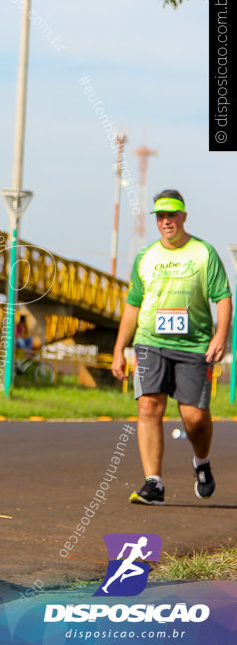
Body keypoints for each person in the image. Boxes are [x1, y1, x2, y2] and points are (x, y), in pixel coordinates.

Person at [112, 189, 232, 505]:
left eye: (172, 215)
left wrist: (221, 336)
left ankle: (201, 462)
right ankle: (154, 484)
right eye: (161, 217)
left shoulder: (203, 253)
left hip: (195, 346)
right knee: (148, 406)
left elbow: (223, 296)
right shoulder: (146, 256)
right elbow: (133, 305)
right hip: (151, 343)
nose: (166, 222)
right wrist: (119, 349)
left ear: (183, 216)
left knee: (194, 417)